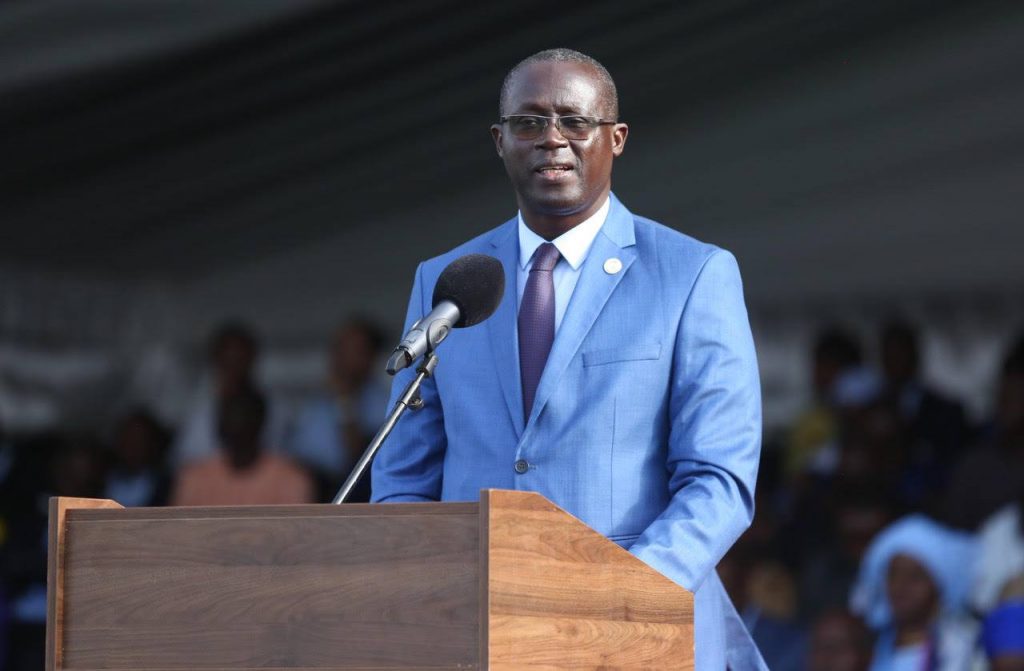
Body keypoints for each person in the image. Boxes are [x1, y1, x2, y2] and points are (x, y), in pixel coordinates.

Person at [371, 48, 765, 669]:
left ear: (617, 138)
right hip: (477, 631)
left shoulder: (693, 274)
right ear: (499, 142)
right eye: (528, 123)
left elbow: (719, 481)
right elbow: (403, 478)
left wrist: (616, 598)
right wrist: (433, 588)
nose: (551, 139)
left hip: (636, 629)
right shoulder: (448, 281)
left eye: (574, 122)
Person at [849, 515, 982, 671]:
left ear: (939, 586)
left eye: (915, 577)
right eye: (893, 575)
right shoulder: (865, 649)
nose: (900, 587)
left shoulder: (966, 650)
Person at [285, 317, 388, 501]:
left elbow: (360, 458)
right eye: (339, 348)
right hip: (312, 491)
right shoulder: (313, 401)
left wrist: (344, 400)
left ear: (371, 357)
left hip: (359, 496)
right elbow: (293, 457)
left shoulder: (384, 402)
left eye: (354, 350)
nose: (342, 357)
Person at [170, 322, 289, 467]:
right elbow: (185, 464)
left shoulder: (276, 410)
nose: (235, 369)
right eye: (229, 361)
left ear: (253, 359)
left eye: (240, 360)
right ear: (216, 361)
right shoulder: (197, 413)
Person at [171, 388, 314, 506]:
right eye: (230, 416)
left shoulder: (290, 479)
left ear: (260, 422)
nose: (236, 424)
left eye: (243, 416)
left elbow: (296, 534)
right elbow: (178, 532)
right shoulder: (194, 479)